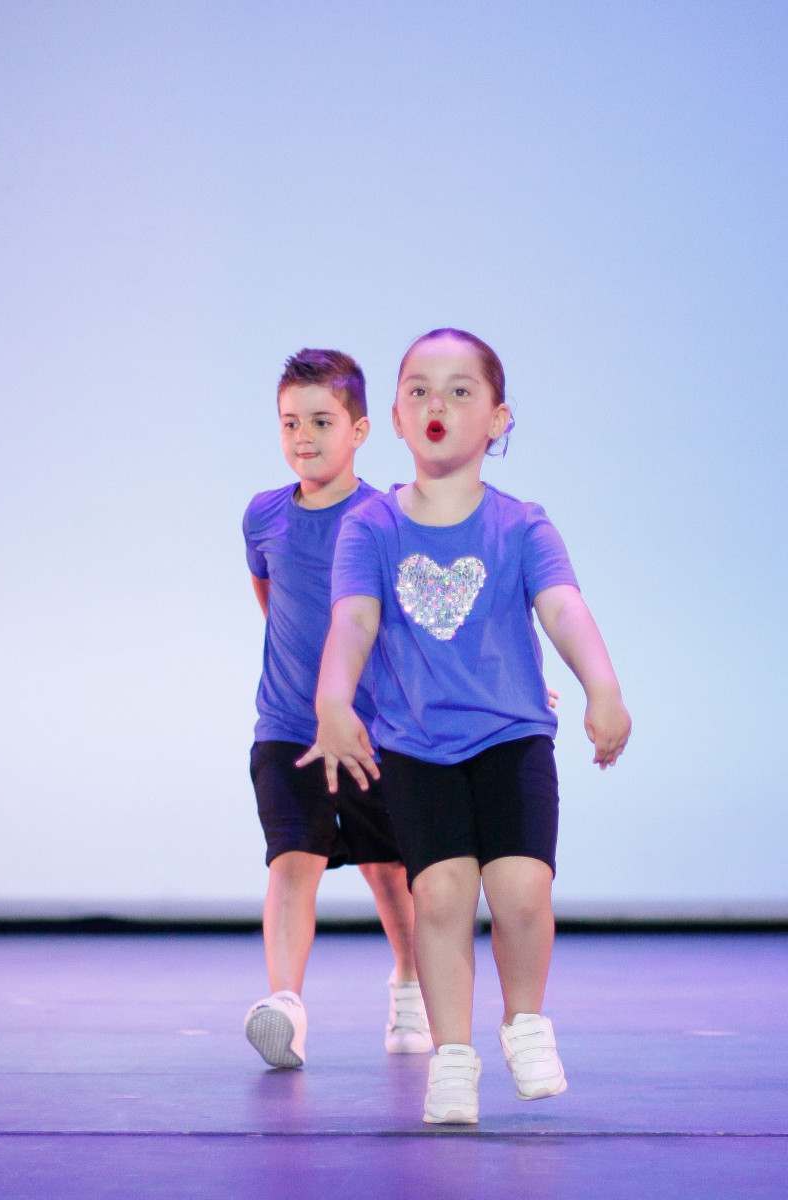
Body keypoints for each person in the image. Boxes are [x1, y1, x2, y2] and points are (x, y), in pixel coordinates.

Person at [298, 328, 631, 1122]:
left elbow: (563, 608)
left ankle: (525, 1022)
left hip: (513, 736)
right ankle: (453, 1055)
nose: (435, 403)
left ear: (497, 419)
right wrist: (333, 701)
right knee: (441, 895)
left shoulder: (521, 524)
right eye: (418, 390)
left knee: (522, 889)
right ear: (396, 418)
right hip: (417, 746)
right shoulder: (372, 527)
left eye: (459, 390)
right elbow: (353, 621)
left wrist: (603, 687)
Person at [242, 348, 432, 1070]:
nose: (304, 436)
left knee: (389, 870)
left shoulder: (388, 518)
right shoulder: (263, 515)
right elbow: (272, 599)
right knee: (294, 860)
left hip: (375, 734)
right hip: (288, 727)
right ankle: (285, 1005)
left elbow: (419, 617)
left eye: (322, 421)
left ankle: (410, 984)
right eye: (290, 422)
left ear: (359, 430)